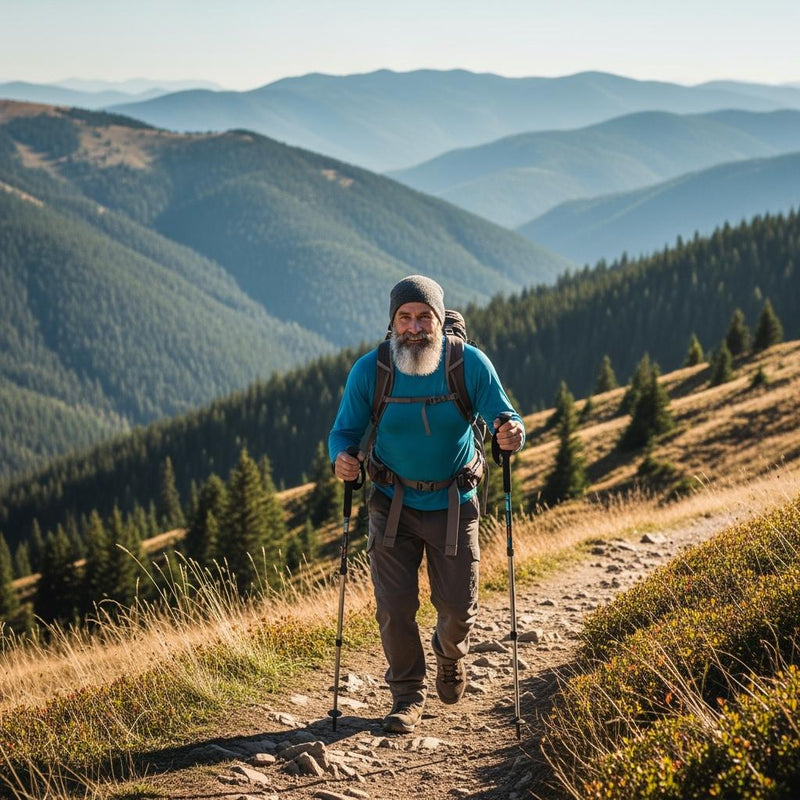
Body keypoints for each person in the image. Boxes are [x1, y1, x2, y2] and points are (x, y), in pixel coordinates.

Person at [329, 275, 525, 734]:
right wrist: (341, 458)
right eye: (405, 317)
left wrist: (512, 431)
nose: (415, 327)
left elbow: (505, 413)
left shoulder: (468, 363)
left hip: (455, 502)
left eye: (424, 317)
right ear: (392, 323)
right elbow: (344, 432)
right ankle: (407, 695)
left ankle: (450, 655)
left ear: (439, 320)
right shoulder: (371, 370)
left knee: (458, 607)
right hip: (391, 503)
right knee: (394, 606)